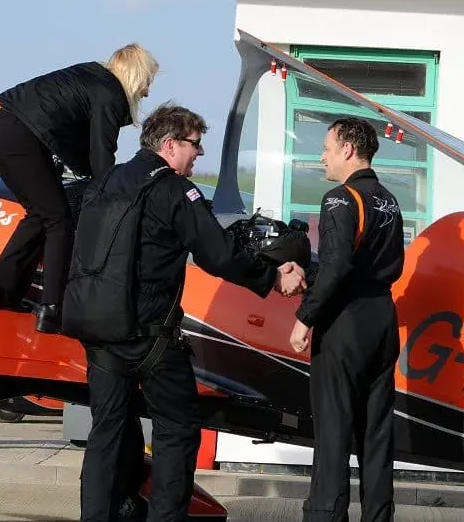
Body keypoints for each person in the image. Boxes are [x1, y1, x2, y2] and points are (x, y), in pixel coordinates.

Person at [73, 102, 306, 522]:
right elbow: (218, 255)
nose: (199, 154)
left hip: (99, 332)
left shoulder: (107, 180)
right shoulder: (176, 190)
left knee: (105, 433)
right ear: (169, 145)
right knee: (177, 430)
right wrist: (272, 276)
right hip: (152, 339)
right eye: (195, 145)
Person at [0, 43, 159, 333]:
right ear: (136, 76)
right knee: (60, 221)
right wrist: (116, 200)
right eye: (148, 82)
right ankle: (54, 308)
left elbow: (76, 148)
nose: (147, 92)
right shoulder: (110, 93)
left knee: (39, 214)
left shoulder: (90, 76)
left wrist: (92, 175)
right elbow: (102, 156)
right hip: (19, 133)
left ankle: (0, 291)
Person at [290, 117, 405, 522]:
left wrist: (305, 317)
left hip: (346, 322)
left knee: (334, 432)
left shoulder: (341, 198)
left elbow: (336, 266)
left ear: (348, 150)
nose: (321, 156)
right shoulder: (389, 199)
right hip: (383, 319)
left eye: (326, 147)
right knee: (376, 434)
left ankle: (325, 515)